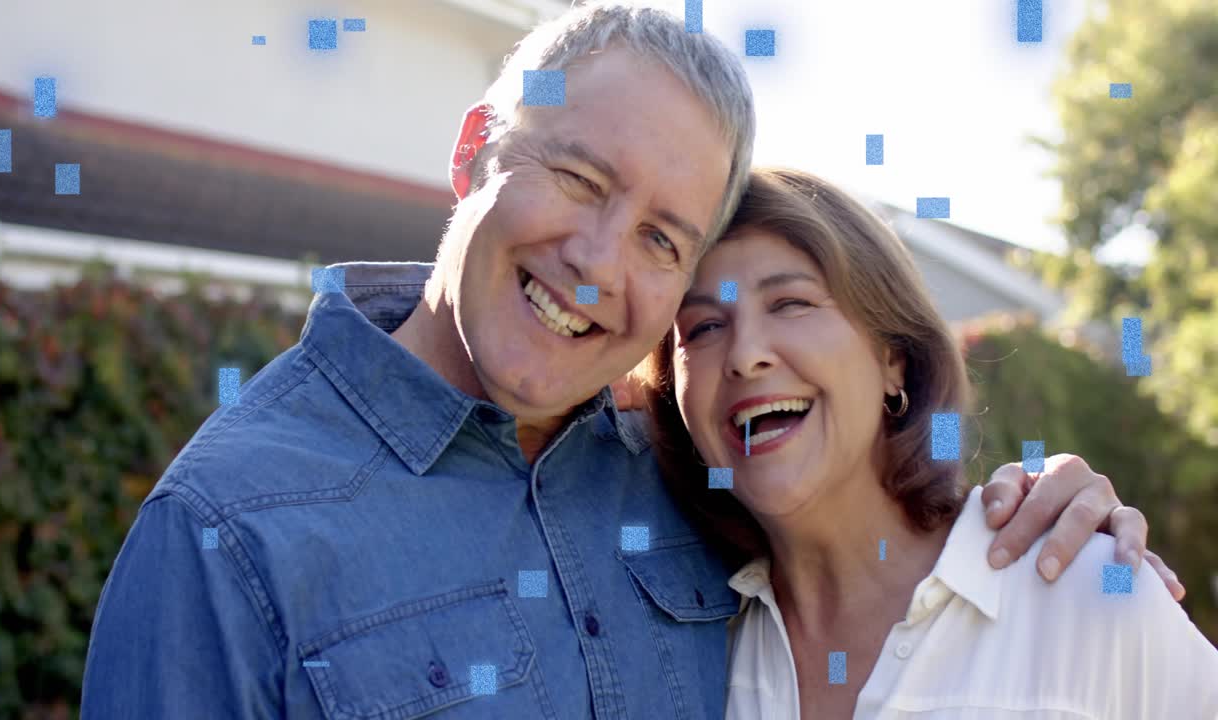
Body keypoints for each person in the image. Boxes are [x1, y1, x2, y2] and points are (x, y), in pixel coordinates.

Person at [80, 4, 1180, 718]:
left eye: (662, 238)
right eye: (576, 178)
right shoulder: (226, 534)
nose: (597, 266)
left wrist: (1053, 504)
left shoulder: (683, 484)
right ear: (473, 153)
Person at [636, 167, 1218, 718]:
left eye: (791, 303)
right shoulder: (677, 647)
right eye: (705, 327)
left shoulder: (1089, 598)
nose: (744, 354)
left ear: (893, 359)